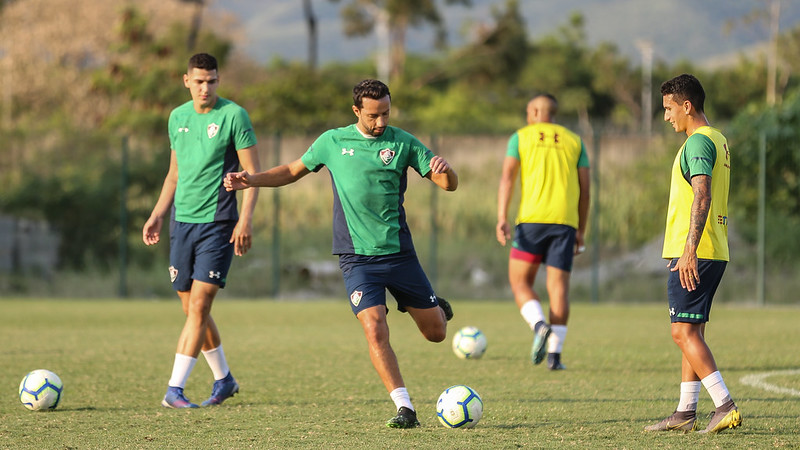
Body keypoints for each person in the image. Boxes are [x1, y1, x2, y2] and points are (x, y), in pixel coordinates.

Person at [224, 79, 457, 429]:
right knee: (375, 328)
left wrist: (446, 170)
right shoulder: (332, 141)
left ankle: (431, 305)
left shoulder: (403, 141)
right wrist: (251, 179)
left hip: (399, 253)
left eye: (386, 114)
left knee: (436, 333)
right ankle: (404, 407)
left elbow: (448, 185)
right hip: (356, 258)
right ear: (356, 111)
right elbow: (291, 171)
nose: (381, 122)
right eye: (374, 115)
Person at [142, 53, 260, 408]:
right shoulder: (177, 117)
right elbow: (174, 173)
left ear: (218, 81)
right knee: (192, 310)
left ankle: (173, 390)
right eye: (198, 81)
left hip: (219, 222)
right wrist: (158, 213)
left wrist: (245, 219)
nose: (205, 87)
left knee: (199, 305)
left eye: (211, 81)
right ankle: (224, 379)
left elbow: (252, 175)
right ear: (186, 81)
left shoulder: (234, 116)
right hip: (182, 223)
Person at [644, 74, 741, 434]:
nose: (666, 116)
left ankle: (725, 405)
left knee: (681, 333)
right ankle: (685, 412)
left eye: (669, 108)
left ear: (687, 106)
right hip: (712, 248)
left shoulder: (698, 142)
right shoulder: (718, 138)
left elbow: (703, 194)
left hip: (697, 252)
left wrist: (688, 250)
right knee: (692, 329)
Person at [496, 94, 590, 370]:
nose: (528, 116)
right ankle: (555, 357)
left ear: (536, 111)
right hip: (565, 222)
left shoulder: (521, 137)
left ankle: (539, 325)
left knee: (519, 282)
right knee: (558, 289)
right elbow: (585, 190)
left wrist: (501, 216)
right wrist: (581, 229)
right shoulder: (575, 141)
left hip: (531, 221)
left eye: (529, 111)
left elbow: (507, 178)